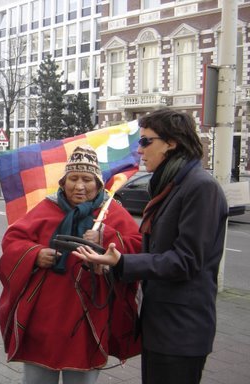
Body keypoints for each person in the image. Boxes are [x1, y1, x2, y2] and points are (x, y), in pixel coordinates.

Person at [75, 108, 228, 384]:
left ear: (172, 142)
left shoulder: (200, 187)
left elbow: (186, 260)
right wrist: (112, 261)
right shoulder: (170, 185)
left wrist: (122, 262)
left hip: (181, 330)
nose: (139, 150)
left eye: (146, 141)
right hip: (161, 325)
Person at [0, 145, 142, 384]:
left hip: (89, 318)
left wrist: (106, 236)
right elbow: (12, 240)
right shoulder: (46, 208)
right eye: (73, 178)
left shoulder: (110, 212)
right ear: (63, 182)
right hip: (44, 317)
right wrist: (36, 253)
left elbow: (138, 246)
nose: (79, 186)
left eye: (87, 179)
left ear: (98, 183)